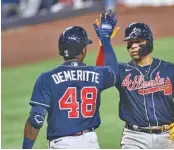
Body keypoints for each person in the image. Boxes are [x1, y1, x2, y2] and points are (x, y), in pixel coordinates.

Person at [22, 10, 118, 149]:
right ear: (83, 50)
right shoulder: (96, 74)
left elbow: (36, 120)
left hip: (63, 144)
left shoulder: (46, 79)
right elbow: (113, 71)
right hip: (90, 143)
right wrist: (105, 40)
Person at [96, 22, 174, 149]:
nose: (133, 46)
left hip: (167, 136)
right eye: (130, 43)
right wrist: (104, 45)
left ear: (149, 41)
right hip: (134, 137)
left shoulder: (169, 69)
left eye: (138, 41)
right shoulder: (121, 71)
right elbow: (101, 74)